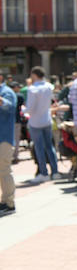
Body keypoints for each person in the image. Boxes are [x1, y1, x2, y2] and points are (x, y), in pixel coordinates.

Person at [24, 67, 60, 182]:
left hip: (36, 121)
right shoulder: (49, 86)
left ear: (34, 75)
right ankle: (55, 172)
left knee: (39, 148)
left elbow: (30, 108)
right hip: (47, 119)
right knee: (50, 147)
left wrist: (24, 110)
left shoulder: (32, 89)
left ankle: (43, 173)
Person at [0, 77, 16, 215]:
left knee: (4, 170)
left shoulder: (7, 92)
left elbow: (9, 106)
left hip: (3, 139)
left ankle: (9, 203)